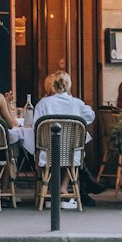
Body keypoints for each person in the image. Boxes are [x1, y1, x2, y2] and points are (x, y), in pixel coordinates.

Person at [34, 71, 103, 208]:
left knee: (53, 155)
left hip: (48, 152)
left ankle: (51, 189)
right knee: (69, 155)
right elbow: (90, 115)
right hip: (71, 154)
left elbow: (36, 125)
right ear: (69, 85)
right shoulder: (76, 103)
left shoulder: (44, 103)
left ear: (53, 85)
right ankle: (63, 187)